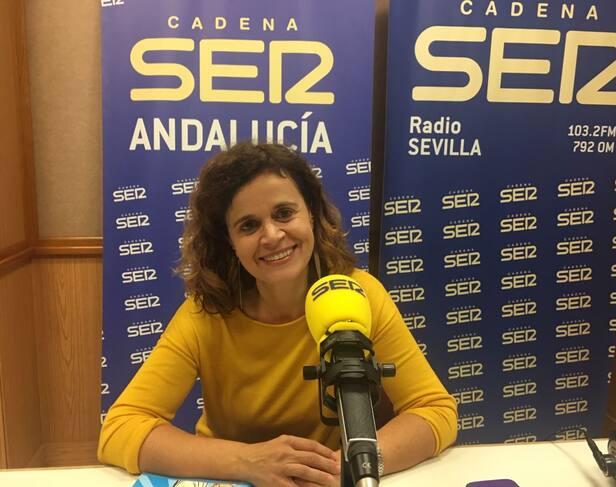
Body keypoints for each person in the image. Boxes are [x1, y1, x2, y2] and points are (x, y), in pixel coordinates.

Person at [98, 142, 458, 486]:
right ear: (229, 241)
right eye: (248, 225)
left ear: (312, 214)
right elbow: (121, 428)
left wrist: (346, 467)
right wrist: (247, 462)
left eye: (284, 213)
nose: (271, 235)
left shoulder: (359, 295)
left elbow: (434, 410)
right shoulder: (204, 314)